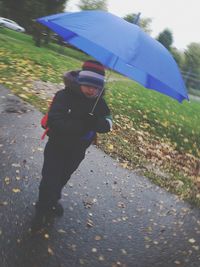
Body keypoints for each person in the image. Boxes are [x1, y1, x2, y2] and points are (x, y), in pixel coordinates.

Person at [32, 60, 112, 231]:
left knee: (63, 176)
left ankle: (53, 200)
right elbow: (55, 119)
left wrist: (97, 122)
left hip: (77, 150)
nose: (92, 90)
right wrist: (83, 125)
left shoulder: (99, 103)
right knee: (49, 179)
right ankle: (41, 209)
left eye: (96, 87)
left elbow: (108, 124)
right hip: (57, 146)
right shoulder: (64, 96)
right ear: (81, 81)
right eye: (88, 85)